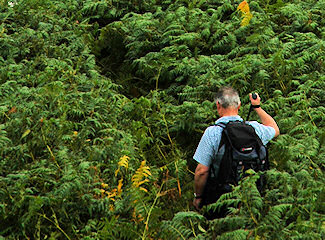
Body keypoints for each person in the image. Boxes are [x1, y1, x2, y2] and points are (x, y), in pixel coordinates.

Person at [193, 86, 280, 211]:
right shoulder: (254, 129)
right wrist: (257, 107)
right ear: (239, 106)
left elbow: (202, 171)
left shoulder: (212, 133)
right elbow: (275, 129)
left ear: (218, 105)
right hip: (253, 197)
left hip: (221, 199)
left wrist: (198, 197)